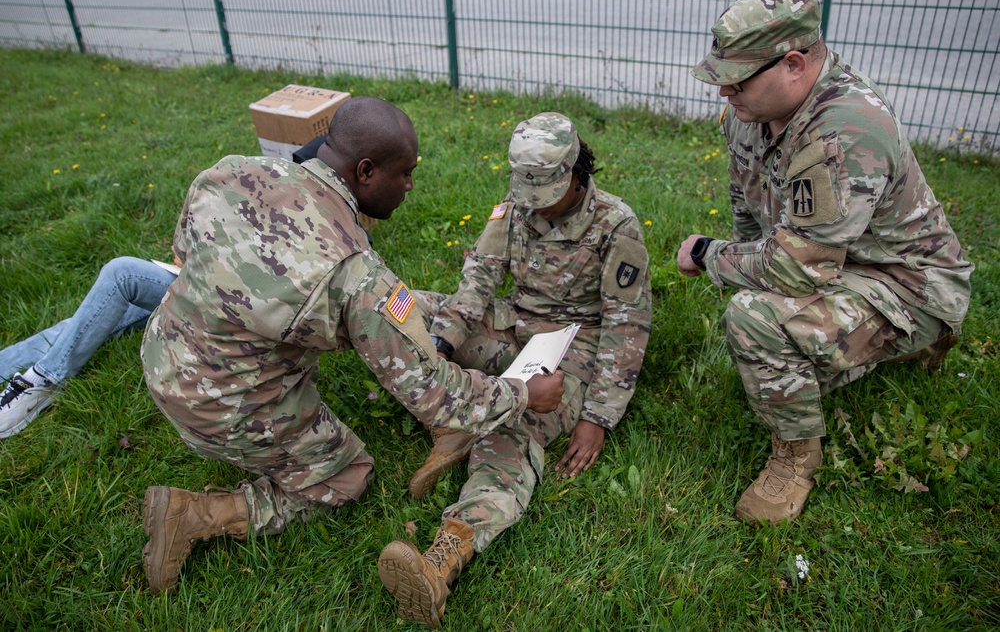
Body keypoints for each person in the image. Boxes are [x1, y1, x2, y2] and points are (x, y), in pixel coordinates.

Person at [138, 96, 565, 595]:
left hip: (162, 353)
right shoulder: (356, 274)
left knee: (404, 310)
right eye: (404, 174)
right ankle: (197, 514)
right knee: (348, 477)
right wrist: (522, 396)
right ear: (366, 171)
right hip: (221, 407)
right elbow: (430, 389)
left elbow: (184, 254)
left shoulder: (232, 172)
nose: (409, 186)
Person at [677, 0, 973, 526]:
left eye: (737, 78)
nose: (723, 90)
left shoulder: (847, 130)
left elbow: (793, 269)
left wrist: (706, 254)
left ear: (793, 65)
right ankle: (872, 348)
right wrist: (742, 255)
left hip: (908, 283)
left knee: (753, 318)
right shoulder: (751, 111)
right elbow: (747, 205)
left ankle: (796, 457)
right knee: (763, 316)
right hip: (836, 261)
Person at [378, 112, 651, 628]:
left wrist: (598, 417)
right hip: (513, 328)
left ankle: (442, 560)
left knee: (514, 427)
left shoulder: (617, 226)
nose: (536, 203)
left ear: (575, 170)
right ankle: (451, 419)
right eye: (528, 189)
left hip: (574, 350)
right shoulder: (517, 202)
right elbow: (479, 281)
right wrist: (439, 344)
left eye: (547, 189)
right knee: (395, 309)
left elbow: (627, 326)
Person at [0, 257, 178, 438]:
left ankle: (45, 379)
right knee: (90, 318)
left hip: (203, 291)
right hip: (191, 276)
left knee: (123, 273)